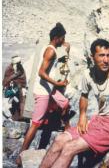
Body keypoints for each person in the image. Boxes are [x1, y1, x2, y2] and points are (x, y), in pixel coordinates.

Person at [39, 38, 109, 168]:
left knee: (70, 147)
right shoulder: (88, 75)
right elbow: (84, 95)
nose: (106, 60)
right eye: (101, 55)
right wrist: (82, 116)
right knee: (60, 140)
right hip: (99, 120)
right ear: (92, 56)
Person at [16, 22, 72, 166]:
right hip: (43, 91)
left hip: (48, 88)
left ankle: (69, 131)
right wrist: (57, 83)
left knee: (65, 103)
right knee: (36, 123)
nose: (64, 41)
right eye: (62, 38)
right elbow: (41, 72)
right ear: (57, 37)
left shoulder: (51, 48)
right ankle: (21, 154)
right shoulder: (51, 51)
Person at [3, 55, 27, 120]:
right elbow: (6, 79)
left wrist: (22, 86)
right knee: (15, 104)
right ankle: (16, 117)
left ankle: (21, 117)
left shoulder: (20, 69)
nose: (19, 64)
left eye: (19, 62)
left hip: (20, 88)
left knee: (21, 103)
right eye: (17, 63)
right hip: (13, 88)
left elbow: (23, 79)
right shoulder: (9, 69)